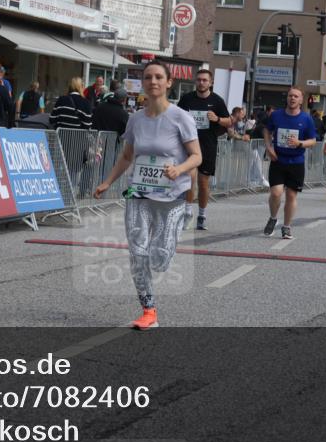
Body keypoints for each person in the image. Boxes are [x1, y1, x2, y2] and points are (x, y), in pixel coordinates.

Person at [93, 61, 202, 331]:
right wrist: (107, 182)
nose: (153, 81)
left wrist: (179, 169)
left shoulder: (180, 117)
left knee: (159, 258)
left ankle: (180, 223)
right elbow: (128, 156)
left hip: (172, 195)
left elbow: (197, 156)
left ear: (168, 83)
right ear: (143, 83)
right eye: (148, 77)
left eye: (158, 77)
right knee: (138, 253)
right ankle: (148, 309)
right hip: (138, 192)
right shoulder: (135, 119)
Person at [176, 69, 232, 230]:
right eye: (199, 80)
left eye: (205, 80)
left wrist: (218, 119)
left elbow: (229, 122)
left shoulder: (217, 101)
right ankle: (187, 212)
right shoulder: (187, 99)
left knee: (203, 182)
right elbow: (176, 117)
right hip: (188, 145)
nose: (201, 83)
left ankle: (202, 214)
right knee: (189, 179)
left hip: (208, 145)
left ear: (210, 82)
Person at [263, 87, 318, 239]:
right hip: (278, 159)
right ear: (287, 98)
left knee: (291, 196)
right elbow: (267, 131)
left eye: (296, 96)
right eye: (290, 96)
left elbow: (313, 140)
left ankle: (286, 227)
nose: (292, 98)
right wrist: (269, 147)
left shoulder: (306, 119)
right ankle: (273, 218)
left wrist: (300, 143)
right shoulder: (276, 115)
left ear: (301, 100)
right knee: (275, 193)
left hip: (296, 162)